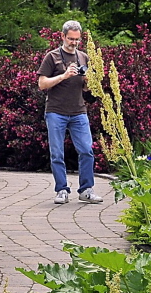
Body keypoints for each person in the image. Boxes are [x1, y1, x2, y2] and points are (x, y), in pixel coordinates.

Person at [37, 20, 103, 204]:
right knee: (57, 153)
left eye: (77, 39)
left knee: (87, 150)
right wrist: (64, 75)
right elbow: (42, 84)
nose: (74, 42)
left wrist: (90, 82)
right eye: (70, 39)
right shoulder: (52, 57)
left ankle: (86, 189)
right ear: (62, 36)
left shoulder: (84, 58)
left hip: (79, 111)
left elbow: (87, 88)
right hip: (56, 111)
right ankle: (61, 190)